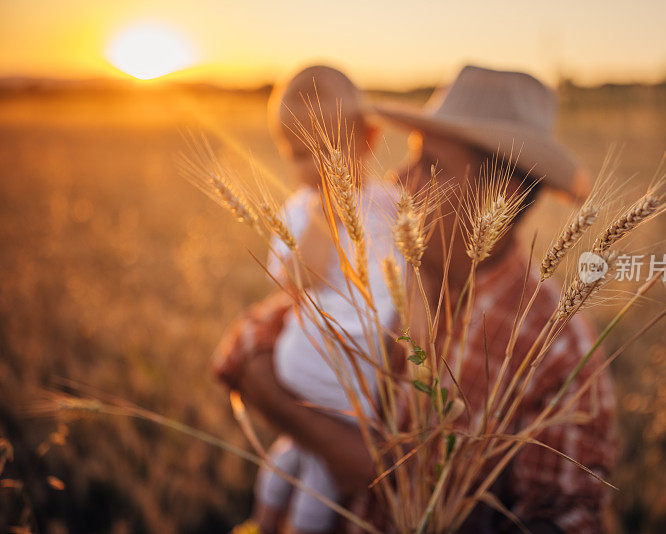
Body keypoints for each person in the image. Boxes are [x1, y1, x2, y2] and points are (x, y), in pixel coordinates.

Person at [216, 65, 616, 533]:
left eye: (431, 165)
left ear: (497, 197)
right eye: (410, 157)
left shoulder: (556, 347)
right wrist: (330, 441)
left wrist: (382, 478)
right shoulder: (387, 261)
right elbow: (246, 342)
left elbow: (562, 519)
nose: (399, 178)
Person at [222, 65, 399, 534]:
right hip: (321, 361)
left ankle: (264, 521)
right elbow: (296, 281)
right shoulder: (299, 212)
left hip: (364, 358)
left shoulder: (388, 201)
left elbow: (421, 245)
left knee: (295, 448)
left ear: (369, 139)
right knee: (327, 462)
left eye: (329, 150)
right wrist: (325, 217)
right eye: (301, 155)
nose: (318, 167)